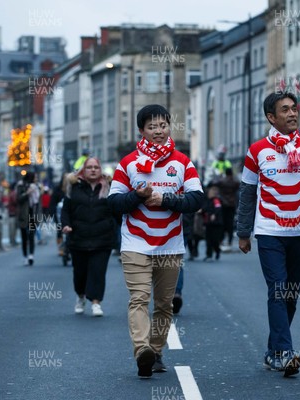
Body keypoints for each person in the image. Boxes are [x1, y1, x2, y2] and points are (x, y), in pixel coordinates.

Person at [237, 92, 300, 377]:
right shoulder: (256, 151)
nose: (293, 114)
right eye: (285, 110)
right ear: (271, 117)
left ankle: (273, 350)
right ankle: (285, 353)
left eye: (294, 108)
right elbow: (247, 195)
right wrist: (243, 232)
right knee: (278, 290)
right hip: (269, 231)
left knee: (290, 294)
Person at [108, 104, 204, 378]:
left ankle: (156, 351)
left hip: (170, 244)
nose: (158, 131)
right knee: (139, 299)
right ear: (142, 131)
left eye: (163, 125)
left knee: (164, 304)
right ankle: (142, 351)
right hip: (135, 243)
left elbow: (197, 199)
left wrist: (166, 199)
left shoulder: (182, 163)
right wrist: (137, 196)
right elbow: (113, 203)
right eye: (152, 127)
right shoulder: (128, 164)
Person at [61, 157, 114, 317]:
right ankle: (80, 296)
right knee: (80, 273)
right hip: (78, 237)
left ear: (100, 169)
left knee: (98, 272)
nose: (93, 170)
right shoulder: (74, 186)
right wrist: (66, 224)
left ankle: (96, 302)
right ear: (83, 170)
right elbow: (65, 210)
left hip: (102, 238)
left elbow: (116, 210)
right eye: (89, 167)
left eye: (96, 167)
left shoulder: (108, 187)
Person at [16, 172, 41, 266]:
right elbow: (18, 199)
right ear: (31, 177)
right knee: (24, 237)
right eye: (35, 177)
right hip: (24, 215)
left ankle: (31, 255)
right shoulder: (21, 186)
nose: (37, 178)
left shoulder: (37, 187)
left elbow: (38, 203)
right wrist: (27, 193)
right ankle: (25, 256)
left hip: (33, 216)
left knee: (31, 236)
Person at [216, 167, 240, 249]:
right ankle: (230, 241)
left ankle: (221, 240)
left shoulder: (221, 181)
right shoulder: (235, 182)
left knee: (222, 222)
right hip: (232, 204)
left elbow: (214, 184)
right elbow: (238, 188)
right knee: (230, 223)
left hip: (223, 203)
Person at [203, 185, 223, 262]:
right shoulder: (208, 200)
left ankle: (217, 251)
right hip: (208, 223)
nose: (209, 193)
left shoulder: (216, 200)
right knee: (208, 240)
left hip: (216, 224)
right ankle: (209, 255)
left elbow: (218, 208)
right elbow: (205, 208)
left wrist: (214, 214)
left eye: (211, 192)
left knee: (214, 240)